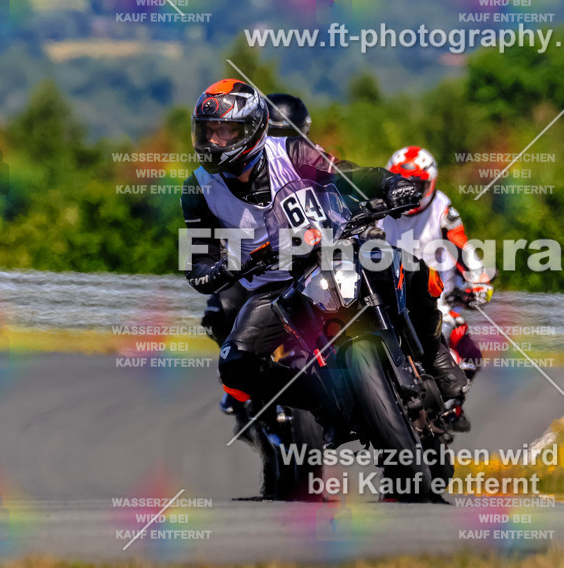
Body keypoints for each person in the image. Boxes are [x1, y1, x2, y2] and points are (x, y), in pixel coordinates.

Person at [180, 80, 467, 434]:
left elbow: (348, 174)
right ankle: (322, 404)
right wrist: (216, 270)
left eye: (225, 131)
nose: (213, 141)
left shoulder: (292, 151)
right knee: (235, 365)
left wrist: (390, 184)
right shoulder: (197, 189)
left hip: (340, 251)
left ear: (253, 127)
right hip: (277, 289)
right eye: (207, 131)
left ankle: (434, 355)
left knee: (413, 266)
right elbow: (198, 259)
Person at [197, 92, 311, 414]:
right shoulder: (219, 181)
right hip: (252, 266)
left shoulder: (305, 159)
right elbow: (206, 244)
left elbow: (346, 192)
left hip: (311, 257)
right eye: (275, 133)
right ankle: (238, 384)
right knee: (219, 310)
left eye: (289, 135)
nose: (280, 142)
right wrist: (223, 263)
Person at [380, 147, 494, 386]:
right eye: (402, 184)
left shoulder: (441, 207)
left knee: (469, 355)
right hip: (388, 303)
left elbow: (462, 245)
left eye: (417, 186)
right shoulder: (378, 208)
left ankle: (454, 407)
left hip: (438, 300)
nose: (409, 193)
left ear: (430, 183)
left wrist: (479, 280)